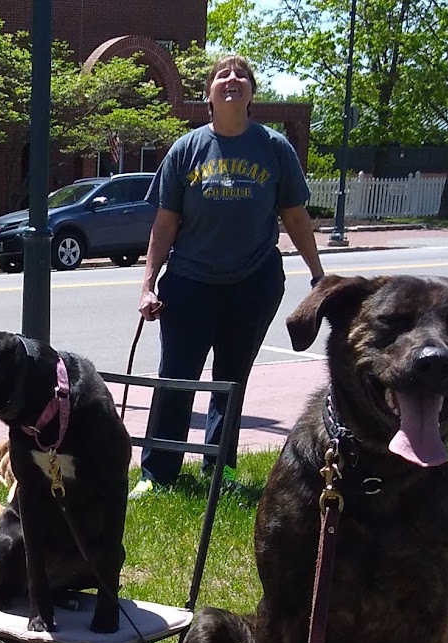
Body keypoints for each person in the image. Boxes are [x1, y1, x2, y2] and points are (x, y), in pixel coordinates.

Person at [129, 52, 326, 499]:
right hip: (189, 283)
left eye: (241, 75)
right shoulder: (187, 149)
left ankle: (220, 469)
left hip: (253, 282)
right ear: (209, 95)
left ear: (251, 93)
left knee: (231, 379)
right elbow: (165, 223)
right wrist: (146, 284)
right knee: (176, 377)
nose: (232, 79)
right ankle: (158, 473)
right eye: (223, 75)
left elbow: (295, 217)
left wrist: (318, 275)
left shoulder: (275, 148)